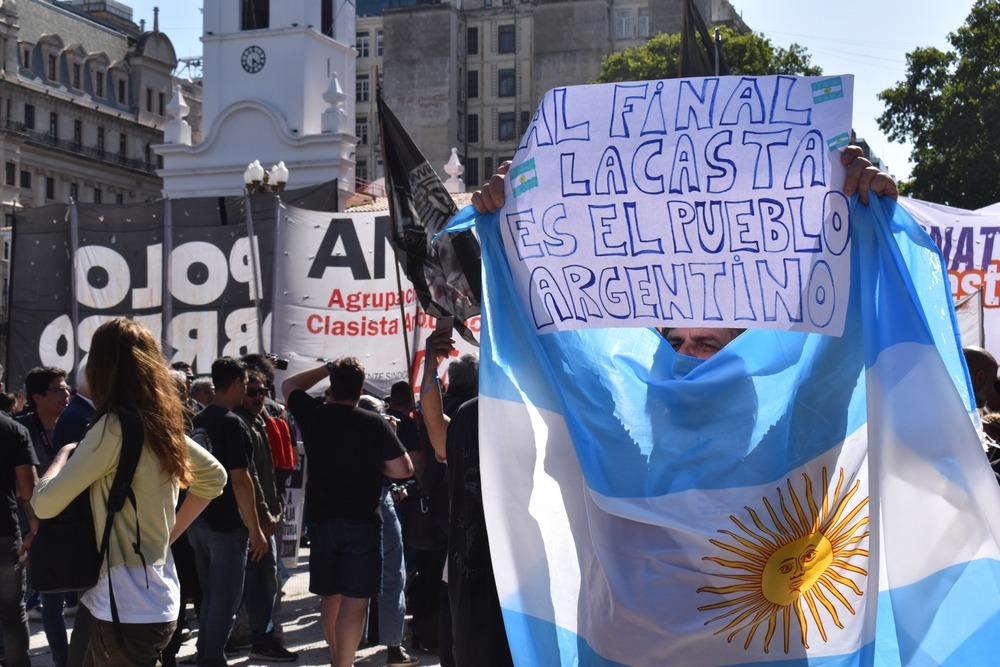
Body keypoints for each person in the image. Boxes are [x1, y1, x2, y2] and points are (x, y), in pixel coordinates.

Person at [31, 317, 227, 666]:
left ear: (102, 367)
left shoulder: (112, 427)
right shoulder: (158, 422)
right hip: (152, 595)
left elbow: (44, 504)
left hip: (123, 605)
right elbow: (214, 477)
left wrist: (62, 455)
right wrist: (168, 535)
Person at [280, 358, 413, 667]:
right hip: (362, 520)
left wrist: (326, 368)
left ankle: (338, 659)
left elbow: (289, 385)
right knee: (355, 600)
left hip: (322, 519)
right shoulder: (374, 422)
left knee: (331, 595)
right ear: (360, 387)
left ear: (331, 385)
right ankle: (344, 664)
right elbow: (403, 469)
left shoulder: (314, 414)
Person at [187, 357, 268, 667]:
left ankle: (206, 653)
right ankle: (212, 658)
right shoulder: (233, 423)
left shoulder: (198, 420)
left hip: (198, 521)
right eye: (245, 384)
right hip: (226, 525)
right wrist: (255, 528)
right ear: (236, 384)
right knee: (226, 600)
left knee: (209, 597)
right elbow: (240, 479)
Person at [232, 369, 296, 662]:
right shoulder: (239, 423)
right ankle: (259, 640)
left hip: (263, 517)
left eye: (263, 391)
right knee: (257, 585)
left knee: (265, 583)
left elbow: (270, 473)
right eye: (253, 391)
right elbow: (247, 478)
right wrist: (261, 519)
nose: (260, 397)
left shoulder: (261, 421)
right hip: (251, 522)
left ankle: (259, 638)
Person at [17, 365, 71, 666]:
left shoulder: (77, 424)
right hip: (36, 525)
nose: (66, 394)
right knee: (50, 600)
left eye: (66, 388)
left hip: (74, 523)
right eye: (58, 389)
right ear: (37, 397)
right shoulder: (21, 428)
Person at [51, 366, 95, 667]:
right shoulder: (79, 416)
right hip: (81, 524)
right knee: (87, 611)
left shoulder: (82, 412)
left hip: (84, 523)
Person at [0, 409, 38, 667]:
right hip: (3, 532)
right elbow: (28, 488)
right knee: (13, 613)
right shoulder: (12, 429)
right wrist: (35, 529)